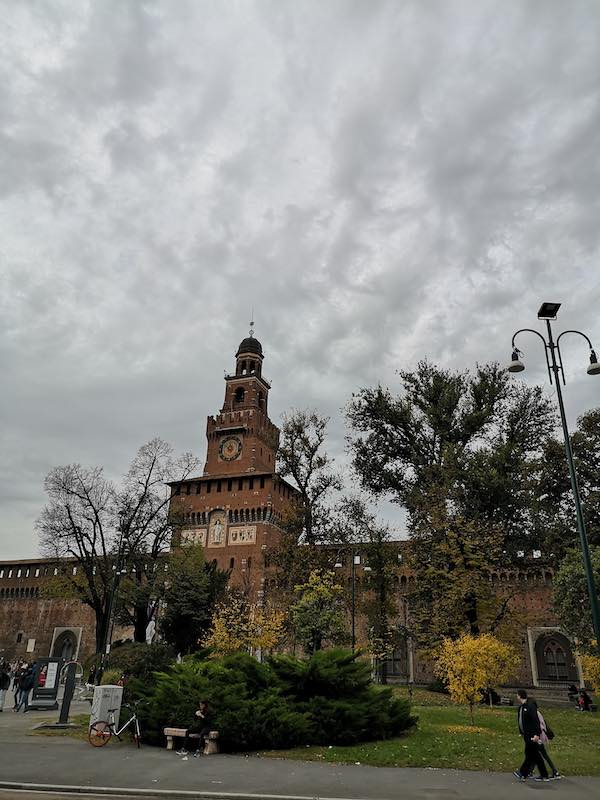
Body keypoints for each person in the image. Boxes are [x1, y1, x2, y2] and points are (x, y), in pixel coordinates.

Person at [512, 689, 549, 782]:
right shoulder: (521, 707)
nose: (517, 697)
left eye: (517, 695)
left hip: (532, 735)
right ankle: (544, 774)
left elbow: (535, 721)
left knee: (529, 753)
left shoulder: (530, 706)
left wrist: (537, 734)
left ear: (520, 696)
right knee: (535, 755)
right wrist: (521, 731)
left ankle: (523, 773)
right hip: (526, 734)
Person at [537, 707, 561, 780]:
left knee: (539, 754)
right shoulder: (537, 713)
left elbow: (540, 726)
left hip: (539, 736)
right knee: (540, 754)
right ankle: (554, 771)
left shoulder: (536, 714)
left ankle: (551, 772)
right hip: (539, 736)